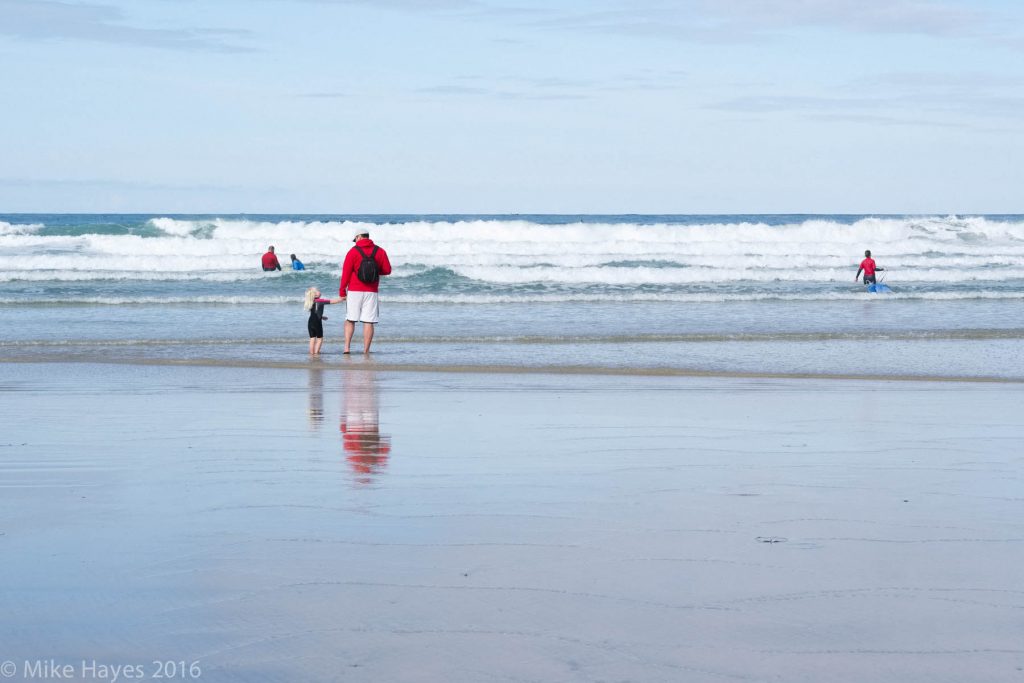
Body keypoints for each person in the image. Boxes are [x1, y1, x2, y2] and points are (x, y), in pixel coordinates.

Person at [339, 231, 392, 354]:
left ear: (359, 237)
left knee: (350, 319)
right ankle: (366, 350)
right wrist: (373, 272)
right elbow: (387, 270)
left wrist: (342, 290)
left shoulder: (353, 251)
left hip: (354, 291)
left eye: (355, 239)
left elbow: (346, 273)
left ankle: (347, 348)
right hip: (371, 291)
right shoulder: (380, 251)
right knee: (368, 321)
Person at [304, 287, 344, 356]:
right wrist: (342, 299)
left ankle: (311, 353)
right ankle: (316, 353)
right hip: (317, 322)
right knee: (319, 338)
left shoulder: (312, 301)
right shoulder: (320, 301)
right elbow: (332, 301)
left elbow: (314, 313)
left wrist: (321, 317)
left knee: (312, 338)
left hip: (310, 322)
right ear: (315, 295)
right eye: (317, 291)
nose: (319, 291)